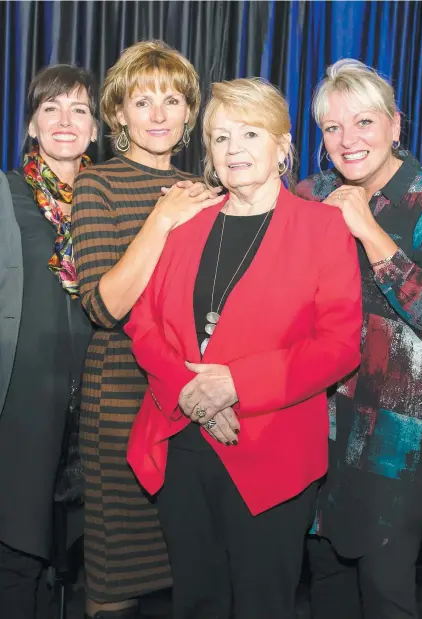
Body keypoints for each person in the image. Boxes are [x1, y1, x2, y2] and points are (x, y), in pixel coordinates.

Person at [123, 77, 363, 619]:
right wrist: (188, 390)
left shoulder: (323, 227)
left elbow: (339, 345)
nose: (234, 150)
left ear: (282, 146)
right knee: (196, 601)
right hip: (183, 439)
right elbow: (143, 322)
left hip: (272, 445)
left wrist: (236, 384)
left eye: (250, 134)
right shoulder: (184, 222)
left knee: (263, 603)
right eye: (220, 137)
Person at [295, 59, 422, 619]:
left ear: (396, 125)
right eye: (332, 128)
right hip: (315, 424)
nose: (348, 141)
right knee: (325, 584)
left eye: (364, 122)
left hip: (395, 437)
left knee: (387, 592)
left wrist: (368, 229)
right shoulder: (309, 192)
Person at [71, 40, 222, 619]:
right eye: (142, 101)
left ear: (189, 113)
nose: (158, 114)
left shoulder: (208, 191)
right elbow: (105, 306)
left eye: (172, 99)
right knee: (117, 579)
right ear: (118, 114)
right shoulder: (97, 186)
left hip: (194, 396)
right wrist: (161, 219)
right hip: (121, 398)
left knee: (196, 570)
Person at [0, 64, 97, 619]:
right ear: (32, 124)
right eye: (51, 108)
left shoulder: (108, 197)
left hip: (95, 406)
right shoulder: (8, 193)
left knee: (78, 562)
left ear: (94, 127)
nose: (66, 120)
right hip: (22, 398)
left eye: (79, 109)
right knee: (17, 550)